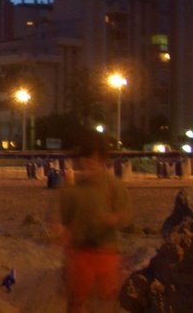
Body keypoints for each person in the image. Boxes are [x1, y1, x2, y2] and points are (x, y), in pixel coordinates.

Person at [51, 131, 132, 313]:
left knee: (106, 299)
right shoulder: (71, 190)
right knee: (77, 301)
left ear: (101, 157)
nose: (87, 163)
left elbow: (126, 215)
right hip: (79, 253)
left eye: (91, 157)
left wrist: (113, 218)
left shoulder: (114, 186)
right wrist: (60, 232)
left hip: (106, 251)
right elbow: (61, 221)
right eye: (83, 158)